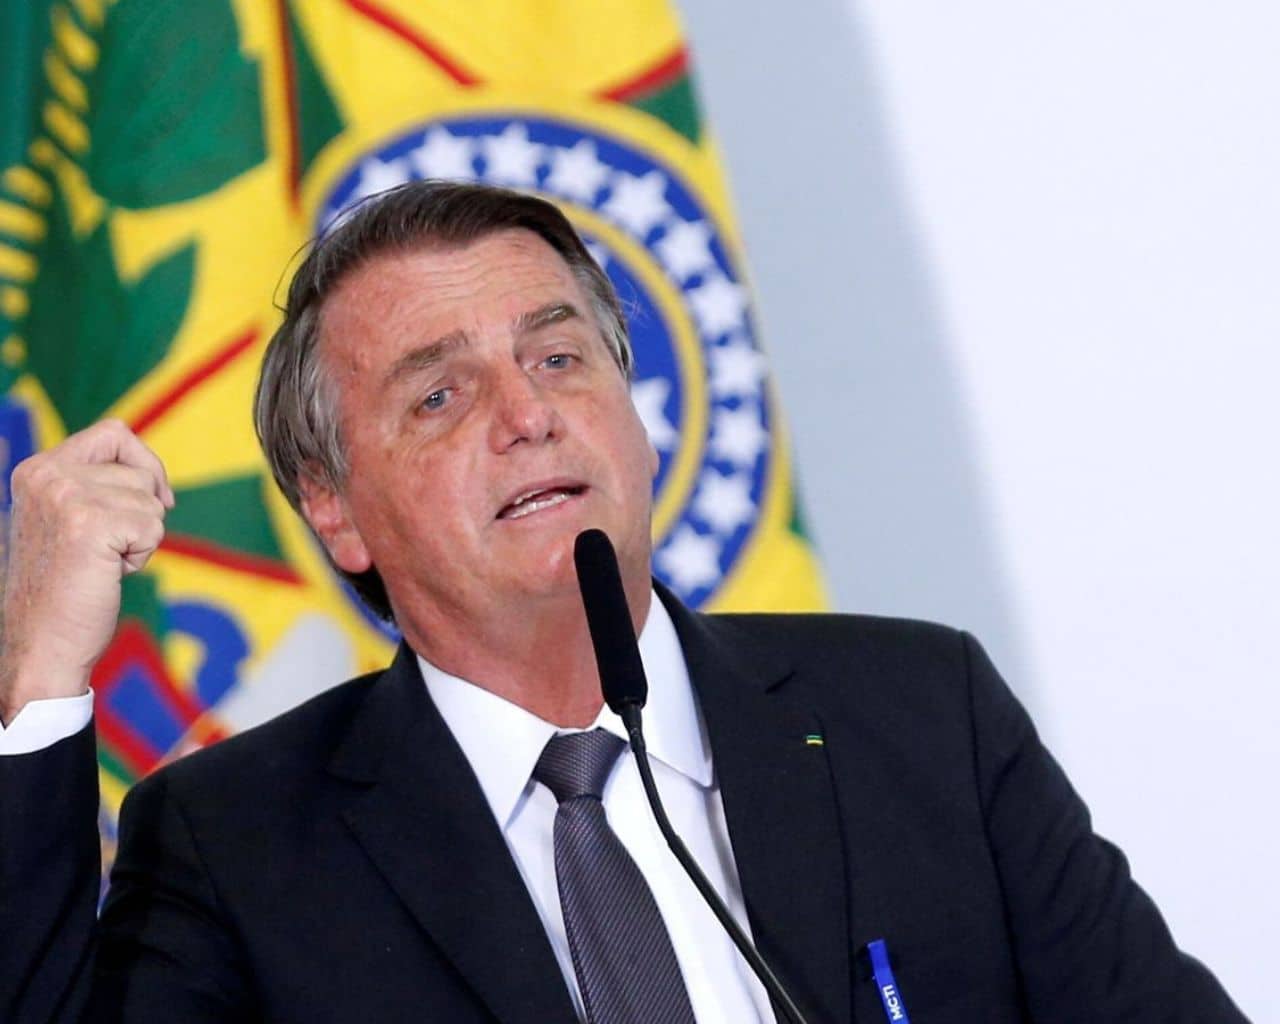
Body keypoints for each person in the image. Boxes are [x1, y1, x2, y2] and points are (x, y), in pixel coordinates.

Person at [0, 181, 1249, 1023]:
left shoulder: (920, 715)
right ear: (333, 507)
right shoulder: (236, 844)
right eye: (438, 395)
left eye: (558, 357)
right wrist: (37, 677)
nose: (528, 413)